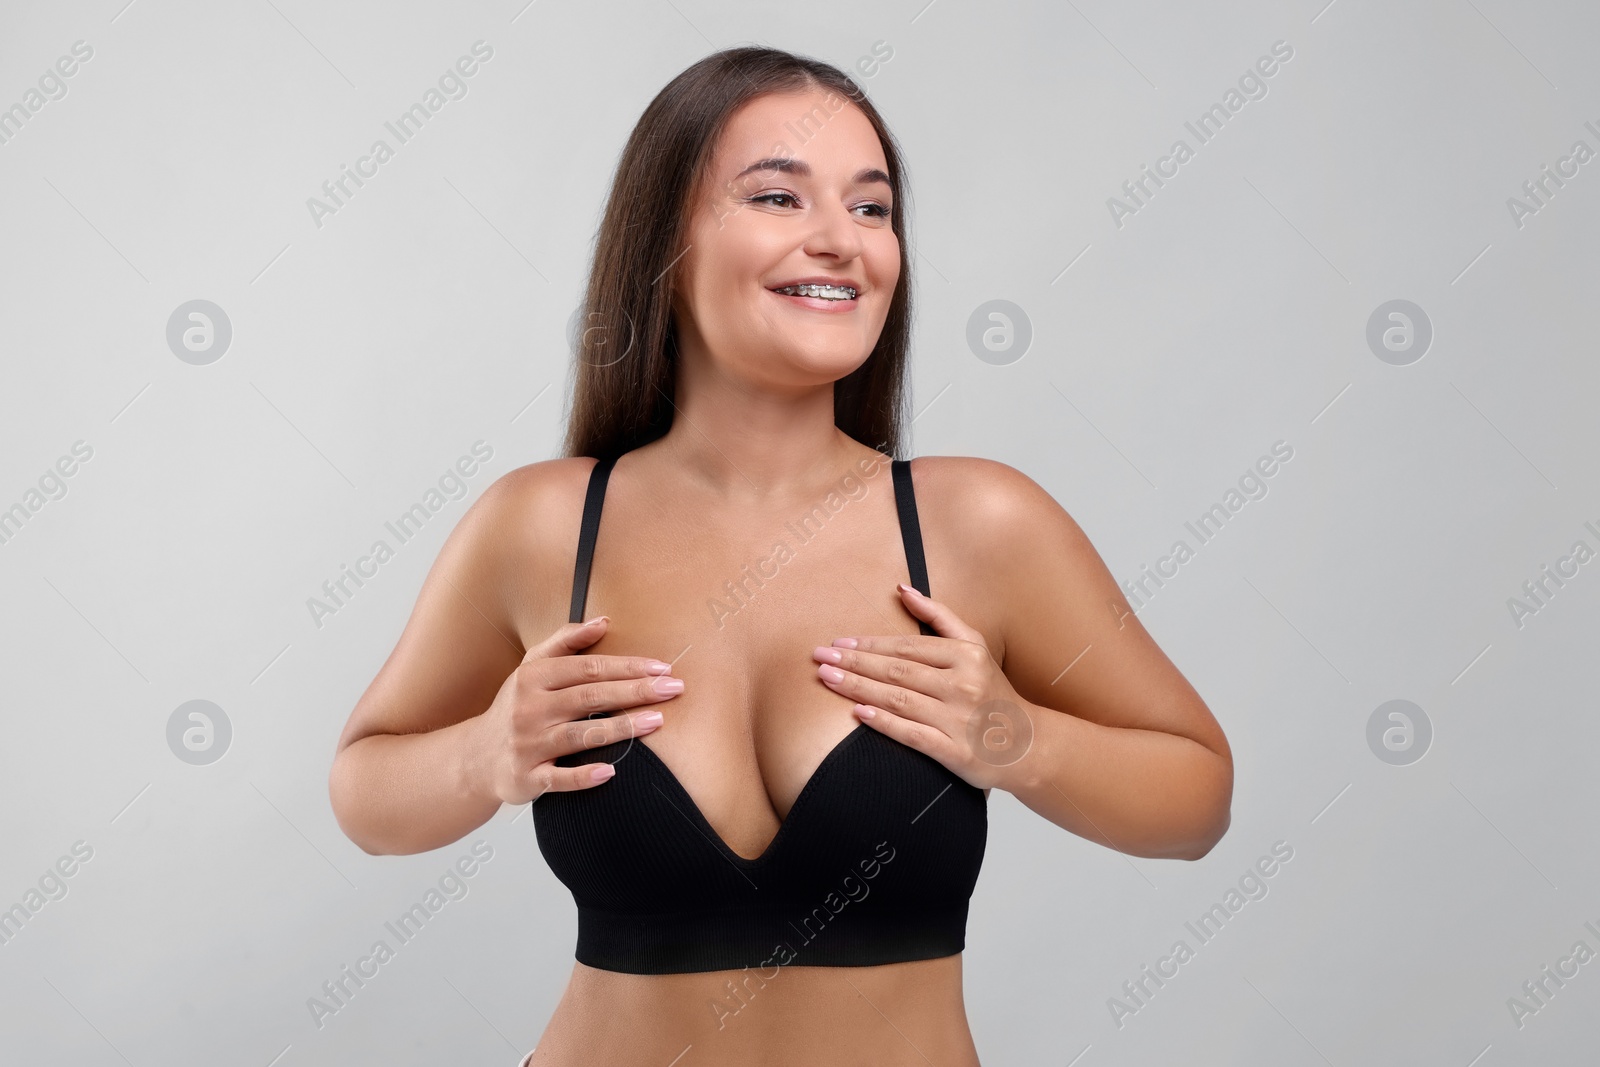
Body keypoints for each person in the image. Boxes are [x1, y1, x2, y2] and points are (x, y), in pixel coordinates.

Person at [329, 45, 1232, 1067]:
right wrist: (482, 751)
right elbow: (365, 788)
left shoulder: (977, 522)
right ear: (663, 237)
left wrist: (1021, 742)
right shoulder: (542, 523)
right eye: (777, 197)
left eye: (871, 208)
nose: (841, 242)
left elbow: (1197, 796)